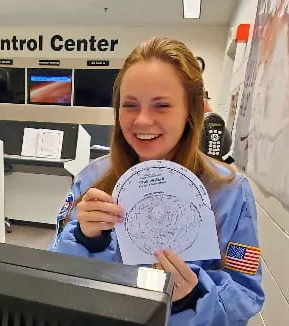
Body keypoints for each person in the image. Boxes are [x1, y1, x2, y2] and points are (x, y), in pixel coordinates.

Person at [50, 37, 264, 325]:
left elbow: (245, 294)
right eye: (129, 105)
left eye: (161, 105)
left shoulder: (229, 191)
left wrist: (193, 297)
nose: (142, 120)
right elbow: (53, 273)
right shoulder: (92, 179)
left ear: (191, 110)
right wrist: (84, 239)